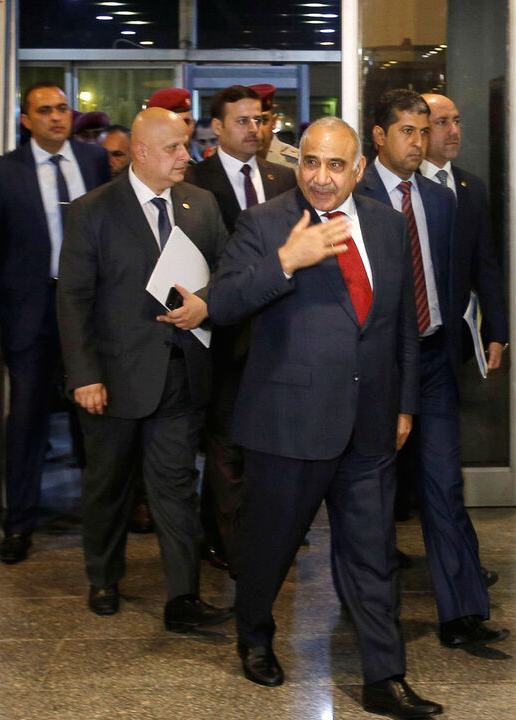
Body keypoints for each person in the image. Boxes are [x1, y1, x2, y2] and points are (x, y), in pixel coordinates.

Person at [209, 116, 442, 719]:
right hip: (289, 423)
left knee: (371, 553)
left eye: (335, 165)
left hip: (369, 424)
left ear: (359, 169)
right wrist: (286, 260)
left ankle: (383, 677)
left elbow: (402, 328)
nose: (319, 176)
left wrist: (404, 402)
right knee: (270, 548)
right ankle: (254, 635)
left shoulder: (390, 227)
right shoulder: (264, 224)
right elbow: (223, 303)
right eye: (310, 161)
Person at [57, 107, 232, 627]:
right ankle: (104, 578)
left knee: (175, 487)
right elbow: (73, 300)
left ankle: (183, 597)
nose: (187, 155)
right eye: (175, 147)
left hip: (180, 373)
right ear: (141, 153)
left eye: (186, 145)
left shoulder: (200, 204)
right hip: (110, 380)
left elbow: (228, 269)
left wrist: (206, 301)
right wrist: (84, 374)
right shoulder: (94, 210)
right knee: (108, 485)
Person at [356, 88, 507, 650]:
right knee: (374, 494)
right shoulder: (356, 195)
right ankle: (373, 613)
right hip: (376, 368)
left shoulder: (442, 202)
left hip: (435, 357)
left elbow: (462, 275)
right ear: (379, 135)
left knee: (445, 485)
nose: (419, 143)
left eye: (425, 132)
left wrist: (489, 328)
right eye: (407, 132)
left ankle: (463, 613)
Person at [0, 81, 110, 564]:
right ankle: (19, 523)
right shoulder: (4, 172)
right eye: (44, 111)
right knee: (27, 417)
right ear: (26, 120)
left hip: (87, 312)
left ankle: (99, 519)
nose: (56, 117)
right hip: (29, 313)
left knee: (90, 416)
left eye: (62, 108)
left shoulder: (93, 163)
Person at [184, 85, 297, 573]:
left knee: (269, 443)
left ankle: (268, 537)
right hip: (221, 333)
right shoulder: (193, 181)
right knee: (226, 443)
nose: (256, 129)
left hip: (277, 331)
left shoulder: (284, 177)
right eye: (244, 121)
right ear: (217, 128)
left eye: (261, 119)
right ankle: (226, 545)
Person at [419, 93, 508, 371]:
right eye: (442, 122)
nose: (454, 131)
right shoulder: (404, 187)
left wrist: (496, 331)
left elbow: (486, 265)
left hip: (458, 340)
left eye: (456, 121)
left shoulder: (473, 187)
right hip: (412, 340)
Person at [248, 84, 298, 168]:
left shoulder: (295, 162)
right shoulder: (232, 159)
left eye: (263, 120)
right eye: (247, 121)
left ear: (273, 122)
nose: (256, 128)